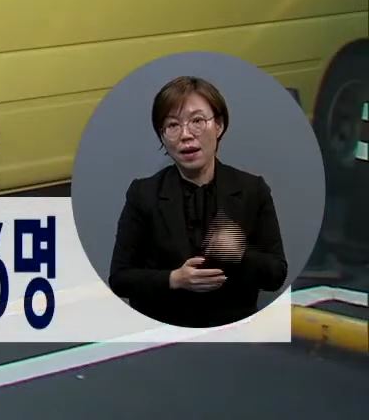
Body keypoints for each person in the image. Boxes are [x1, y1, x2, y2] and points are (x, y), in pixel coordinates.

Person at [107, 75, 288, 327]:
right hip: (164, 331)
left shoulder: (251, 190)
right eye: (172, 125)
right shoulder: (143, 193)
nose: (186, 135)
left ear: (219, 125)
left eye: (197, 121)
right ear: (162, 136)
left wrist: (237, 252)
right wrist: (174, 279)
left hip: (233, 331)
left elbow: (276, 274)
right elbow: (120, 278)